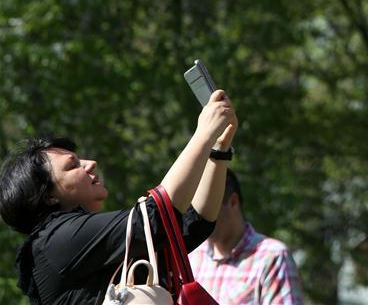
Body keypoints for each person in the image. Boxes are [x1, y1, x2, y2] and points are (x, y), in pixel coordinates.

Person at [0, 89, 238, 304]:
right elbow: (155, 216)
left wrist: (218, 149)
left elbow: (193, 226)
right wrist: (203, 134)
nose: (90, 164)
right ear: (49, 195)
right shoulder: (53, 242)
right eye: (72, 165)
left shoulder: (89, 245)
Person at [189, 169, 303, 304]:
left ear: (233, 202)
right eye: (193, 210)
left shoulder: (272, 256)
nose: (197, 218)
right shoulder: (191, 258)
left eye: (207, 208)